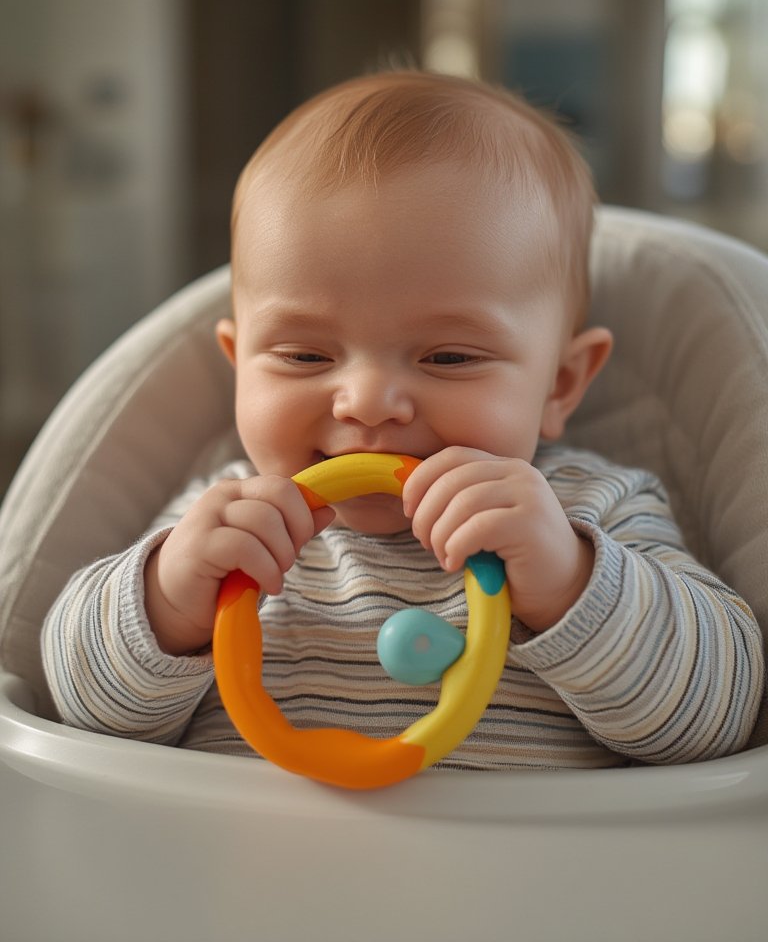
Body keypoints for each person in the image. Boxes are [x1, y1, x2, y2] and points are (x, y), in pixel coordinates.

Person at [42, 70, 764, 770]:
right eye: (302, 355)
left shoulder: (592, 512)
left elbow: (718, 718)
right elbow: (77, 706)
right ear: (239, 365)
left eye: (448, 356)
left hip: (530, 886)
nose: (367, 401)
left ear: (560, 384)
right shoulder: (228, 524)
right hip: (255, 876)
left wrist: (569, 582)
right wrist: (166, 603)